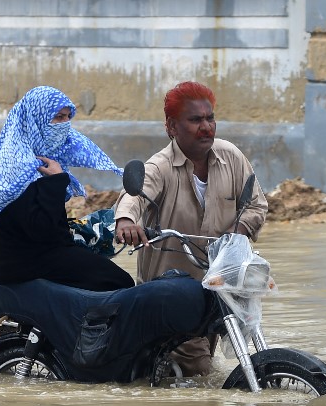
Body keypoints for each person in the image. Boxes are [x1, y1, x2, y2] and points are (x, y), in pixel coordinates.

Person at [113, 81, 268, 375]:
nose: (206, 127)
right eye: (195, 120)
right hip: (173, 297)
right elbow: (134, 197)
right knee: (201, 371)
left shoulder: (231, 157)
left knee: (210, 367)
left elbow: (256, 205)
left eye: (210, 118)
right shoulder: (159, 166)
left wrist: (238, 232)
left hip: (221, 288)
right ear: (172, 126)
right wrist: (126, 221)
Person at [0, 85, 135, 292]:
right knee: (119, 280)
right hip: (19, 261)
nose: (65, 124)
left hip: (18, 256)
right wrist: (57, 181)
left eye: (68, 117)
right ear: (36, 120)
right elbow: (42, 230)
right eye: (58, 117)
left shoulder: (21, 157)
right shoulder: (21, 168)